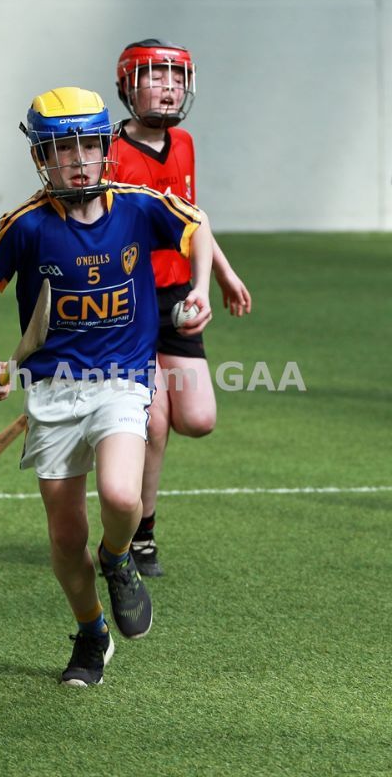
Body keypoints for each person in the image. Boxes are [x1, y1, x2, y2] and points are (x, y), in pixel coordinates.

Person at [0, 87, 214, 686]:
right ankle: (92, 633)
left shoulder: (137, 207)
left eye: (89, 145)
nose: (77, 159)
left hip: (124, 380)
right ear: (41, 157)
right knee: (65, 534)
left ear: (106, 147)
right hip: (52, 392)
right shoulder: (23, 225)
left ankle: (118, 555)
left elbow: (197, 224)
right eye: (61, 148)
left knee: (121, 498)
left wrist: (201, 288)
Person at [110, 39, 252, 577]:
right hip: (128, 305)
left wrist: (221, 274)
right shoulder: (108, 153)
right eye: (155, 76)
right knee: (156, 422)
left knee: (198, 418)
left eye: (176, 78)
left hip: (177, 299)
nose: (168, 88)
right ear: (127, 86)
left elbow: (191, 220)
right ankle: (138, 536)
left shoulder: (184, 143)